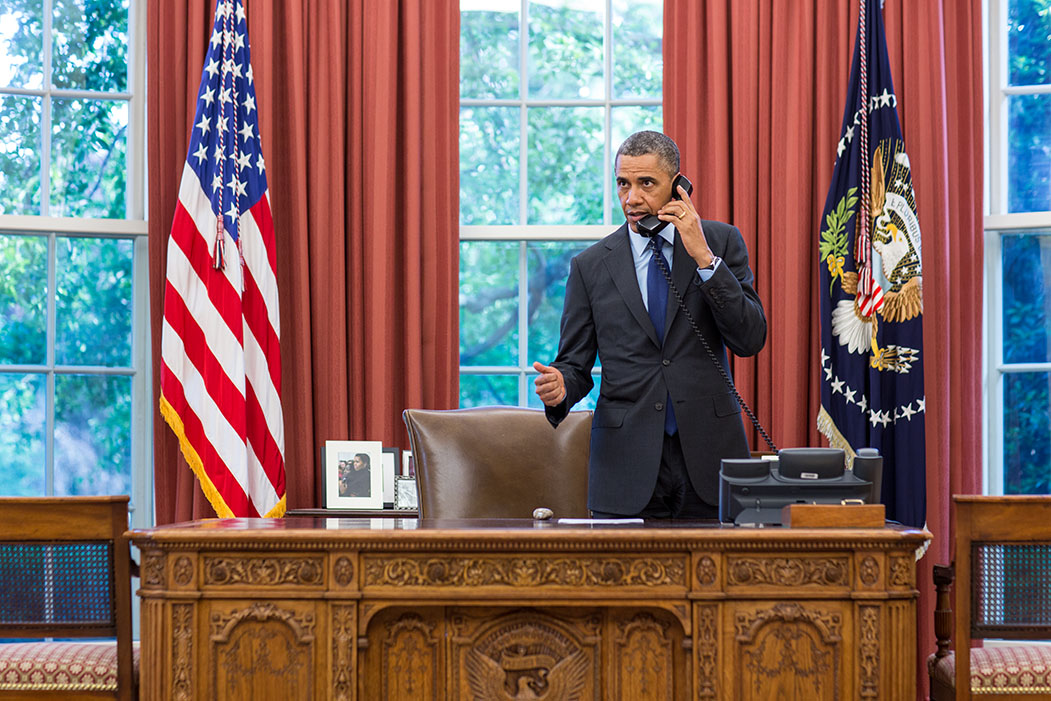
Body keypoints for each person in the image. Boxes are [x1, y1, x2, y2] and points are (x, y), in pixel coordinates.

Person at [533, 131, 766, 519]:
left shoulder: (720, 243)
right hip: (626, 466)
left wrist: (704, 258)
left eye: (646, 184)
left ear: (677, 187)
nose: (632, 199)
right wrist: (560, 386)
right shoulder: (590, 267)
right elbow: (574, 365)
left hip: (710, 459)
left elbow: (749, 338)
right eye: (623, 184)